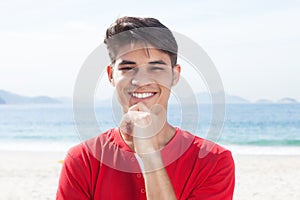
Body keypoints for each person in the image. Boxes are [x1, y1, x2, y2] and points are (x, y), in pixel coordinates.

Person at [56, 16, 235, 200]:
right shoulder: (83, 159)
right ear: (111, 76)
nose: (141, 81)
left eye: (156, 68)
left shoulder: (214, 161)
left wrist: (150, 154)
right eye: (127, 68)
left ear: (174, 75)